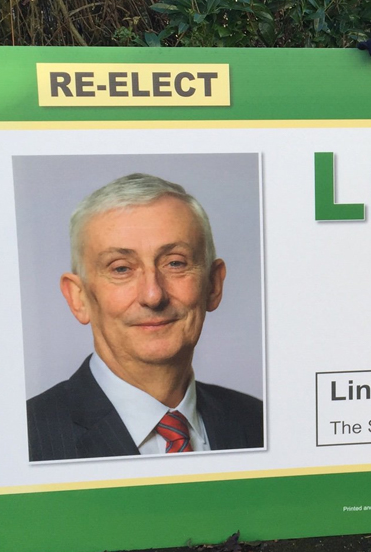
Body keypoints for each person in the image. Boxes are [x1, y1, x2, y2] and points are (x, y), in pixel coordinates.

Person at [26, 173, 264, 461]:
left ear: (213, 285)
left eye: (175, 263)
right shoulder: (27, 437)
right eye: (121, 268)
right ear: (79, 298)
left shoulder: (259, 422)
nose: (153, 295)